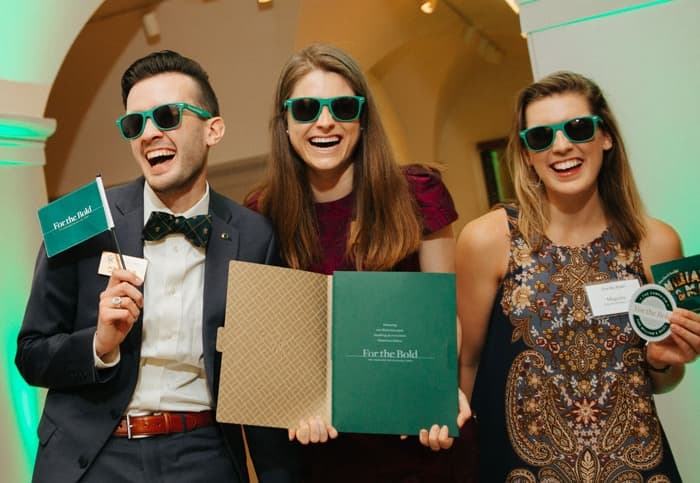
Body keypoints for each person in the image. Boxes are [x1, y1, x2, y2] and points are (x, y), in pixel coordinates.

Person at [16, 50, 299, 483]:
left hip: (203, 455)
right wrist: (99, 344)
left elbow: (263, 382)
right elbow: (31, 354)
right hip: (94, 455)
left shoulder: (254, 236)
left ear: (213, 129)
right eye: (135, 124)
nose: (149, 133)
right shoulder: (82, 220)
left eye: (167, 116)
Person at [245, 43, 477, 483]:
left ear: (362, 117)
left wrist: (440, 389)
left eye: (343, 106)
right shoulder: (263, 213)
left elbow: (445, 314)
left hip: (420, 444)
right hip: (326, 455)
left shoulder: (418, 193)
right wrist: (294, 404)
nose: (325, 121)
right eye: (308, 108)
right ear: (285, 122)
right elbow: (273, 342)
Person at [456, 71, 700, 481]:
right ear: (527, 154)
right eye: (541, 137)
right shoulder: (488, 240)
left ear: (605, 137)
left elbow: (663, 379)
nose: (562, 146)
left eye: (578, 128)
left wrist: (662, 363)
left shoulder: (655, 242)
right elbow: (468, 365)